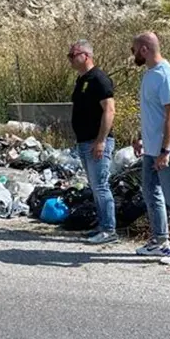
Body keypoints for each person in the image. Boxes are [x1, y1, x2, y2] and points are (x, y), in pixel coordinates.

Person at [131, 31, 170, 265]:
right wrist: (142, 139)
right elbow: (153, 113)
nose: (133, 54)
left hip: (167, 151)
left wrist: (166, 150)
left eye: (134, 50)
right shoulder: (150, 74)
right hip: (151, 149)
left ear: (144, 49)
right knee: (151, 193)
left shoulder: (167, 76)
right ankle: (160, 241)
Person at [68, 39, 117, 245]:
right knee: (95, 187)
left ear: (86, 56)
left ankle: (109, 230)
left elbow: (109, 110)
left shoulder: (99, 79)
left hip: (96, 142)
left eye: (73, 55)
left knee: (101, 186)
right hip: (84, 141)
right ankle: (102, 225)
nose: (70, 59)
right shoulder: (82, 80)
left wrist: (101, 140)